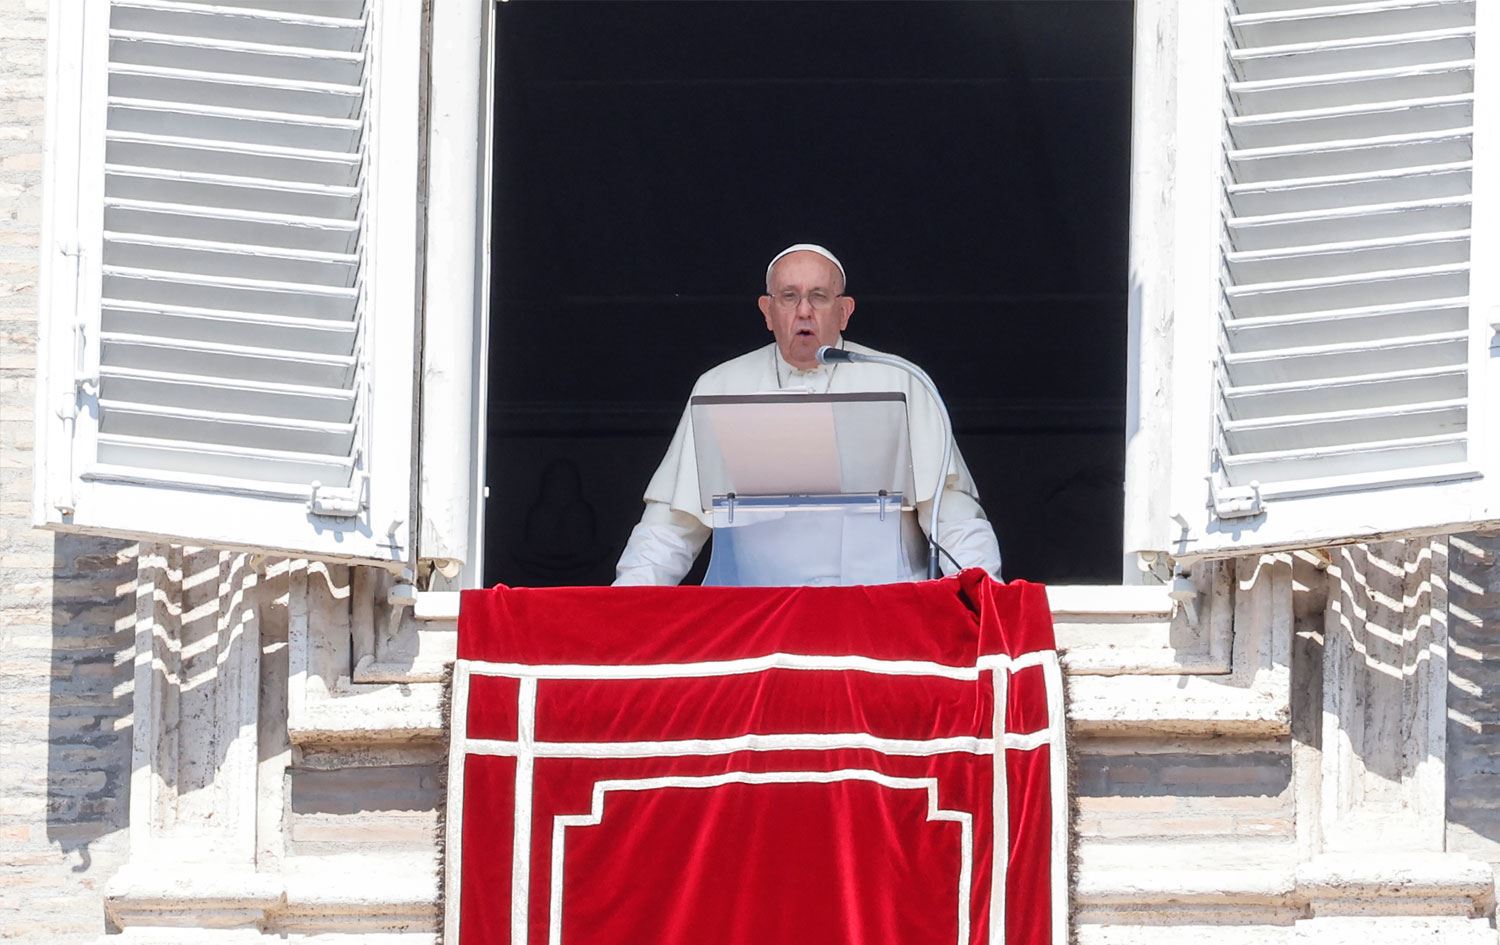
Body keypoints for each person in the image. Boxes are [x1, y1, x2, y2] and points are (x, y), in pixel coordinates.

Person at [613, 243, 1002, 586]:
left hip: (881, 614)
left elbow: (951, 517)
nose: (804, 311)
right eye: (788, 296)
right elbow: (672, 526)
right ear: (767, 311)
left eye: (818, 296)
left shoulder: (900, 381)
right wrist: (623, 607)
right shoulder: (721, 387)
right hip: (758, 620)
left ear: (844, 311)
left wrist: (988, 598)